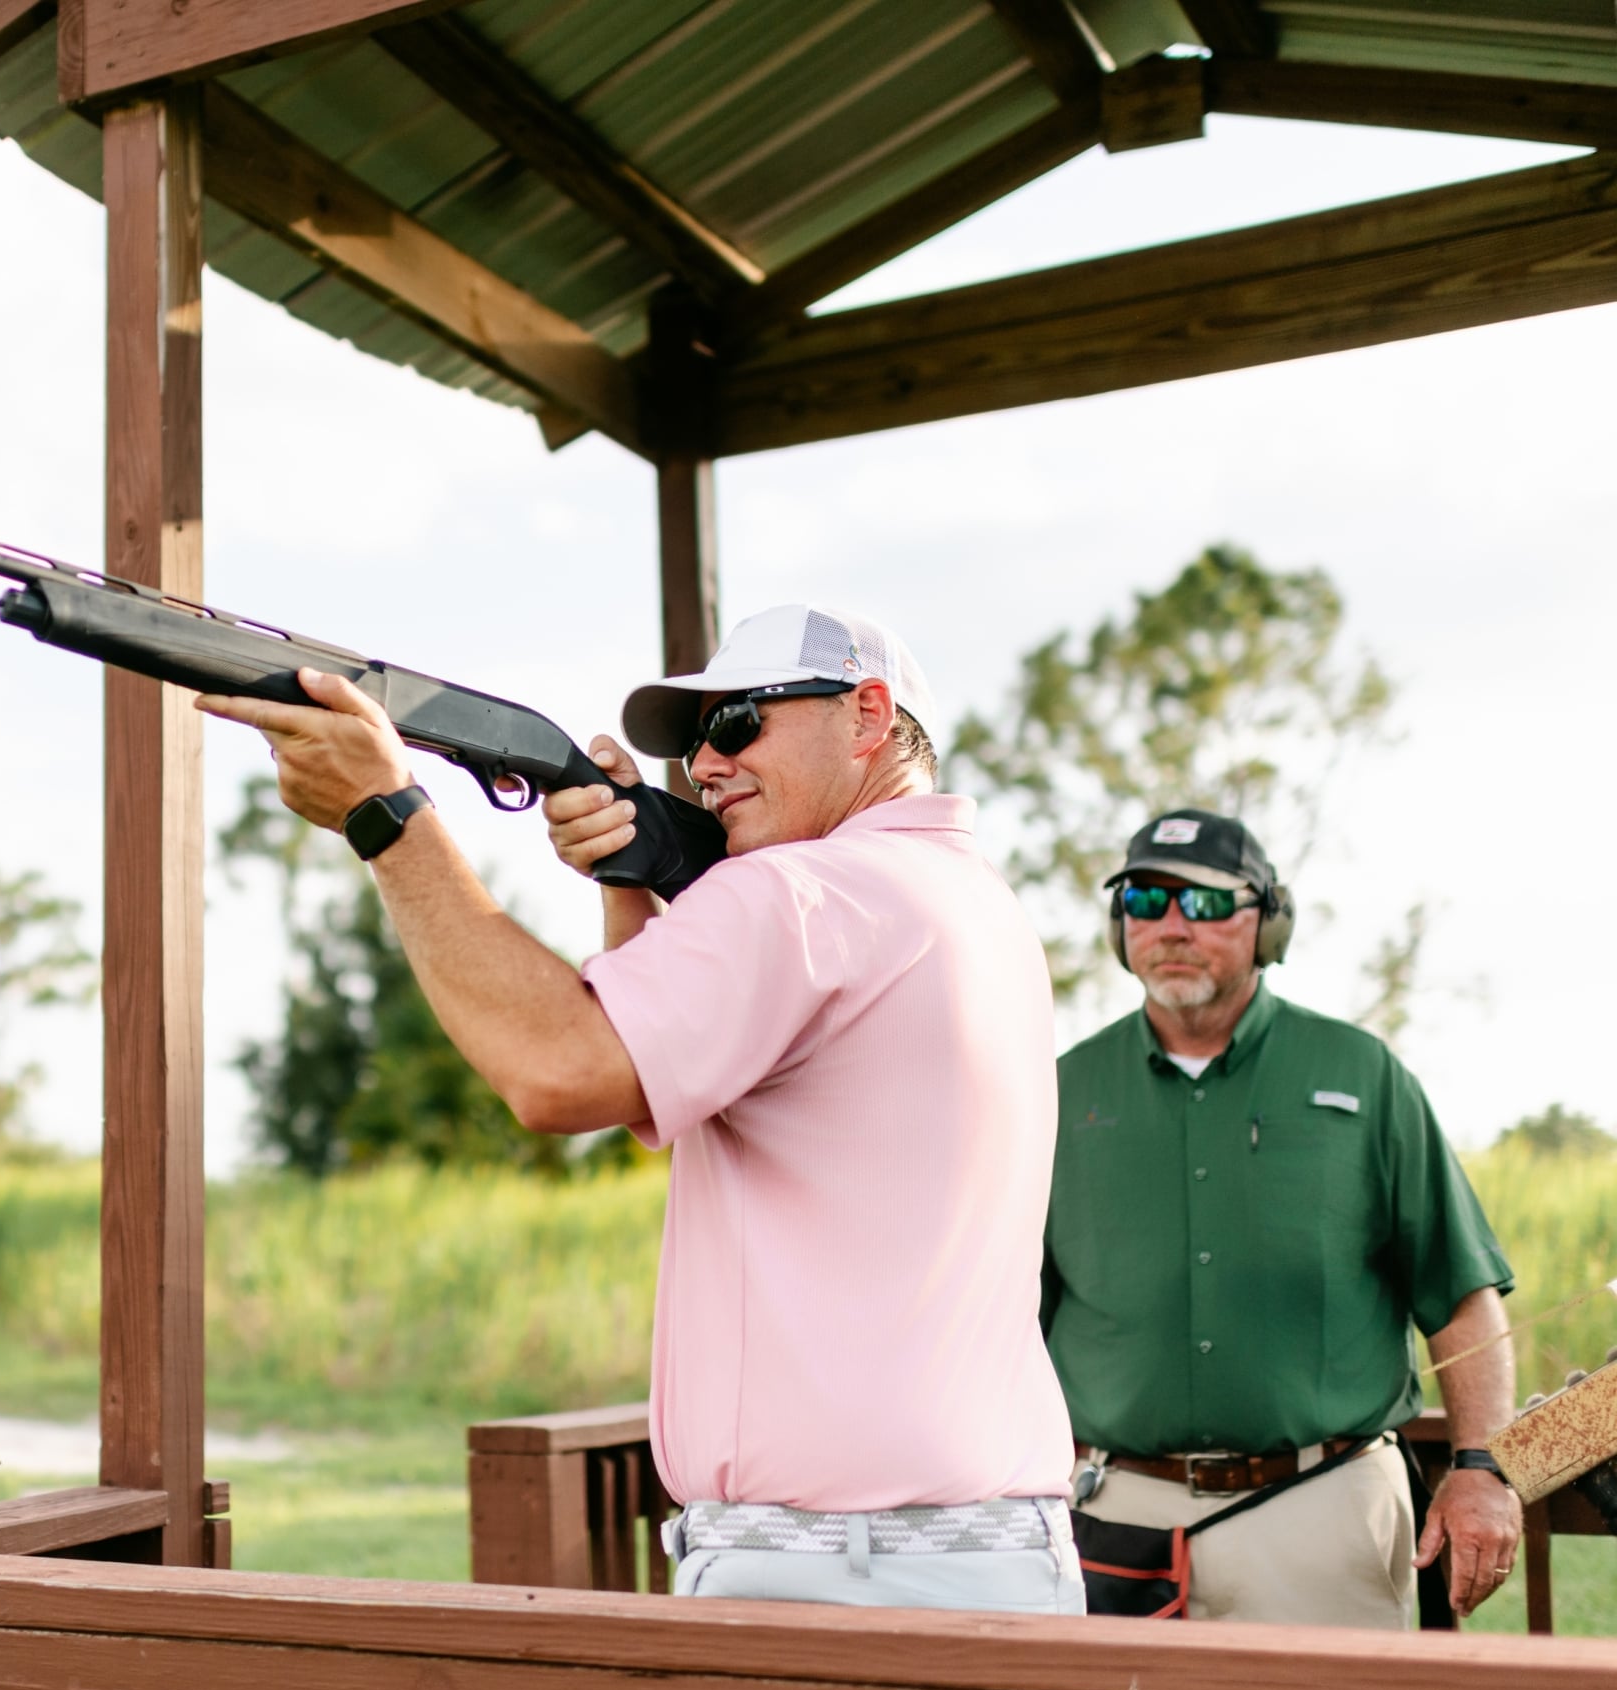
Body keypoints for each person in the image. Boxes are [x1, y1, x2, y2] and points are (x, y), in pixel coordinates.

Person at [198, 604, 1082, 1615]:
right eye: (694, 737)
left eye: (739, 721)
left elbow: (558, 1071)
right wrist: (636, 887)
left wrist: (389, 815)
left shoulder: (800, 893)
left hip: (838, 1570)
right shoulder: (966, 899)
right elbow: (659, 1082)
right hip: (983, 1551)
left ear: (868, 714)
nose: (704, 762)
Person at [1046, 808, 1520, 1627]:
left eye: (1203, 904)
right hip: (1111, 1519)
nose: (1169, 924)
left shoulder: (1362, 1074)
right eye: (1145, 900)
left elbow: (1461, 1291)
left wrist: (1481, 1466)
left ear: (1268, 922)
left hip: (1323, 1514)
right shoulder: (1056, 1090)